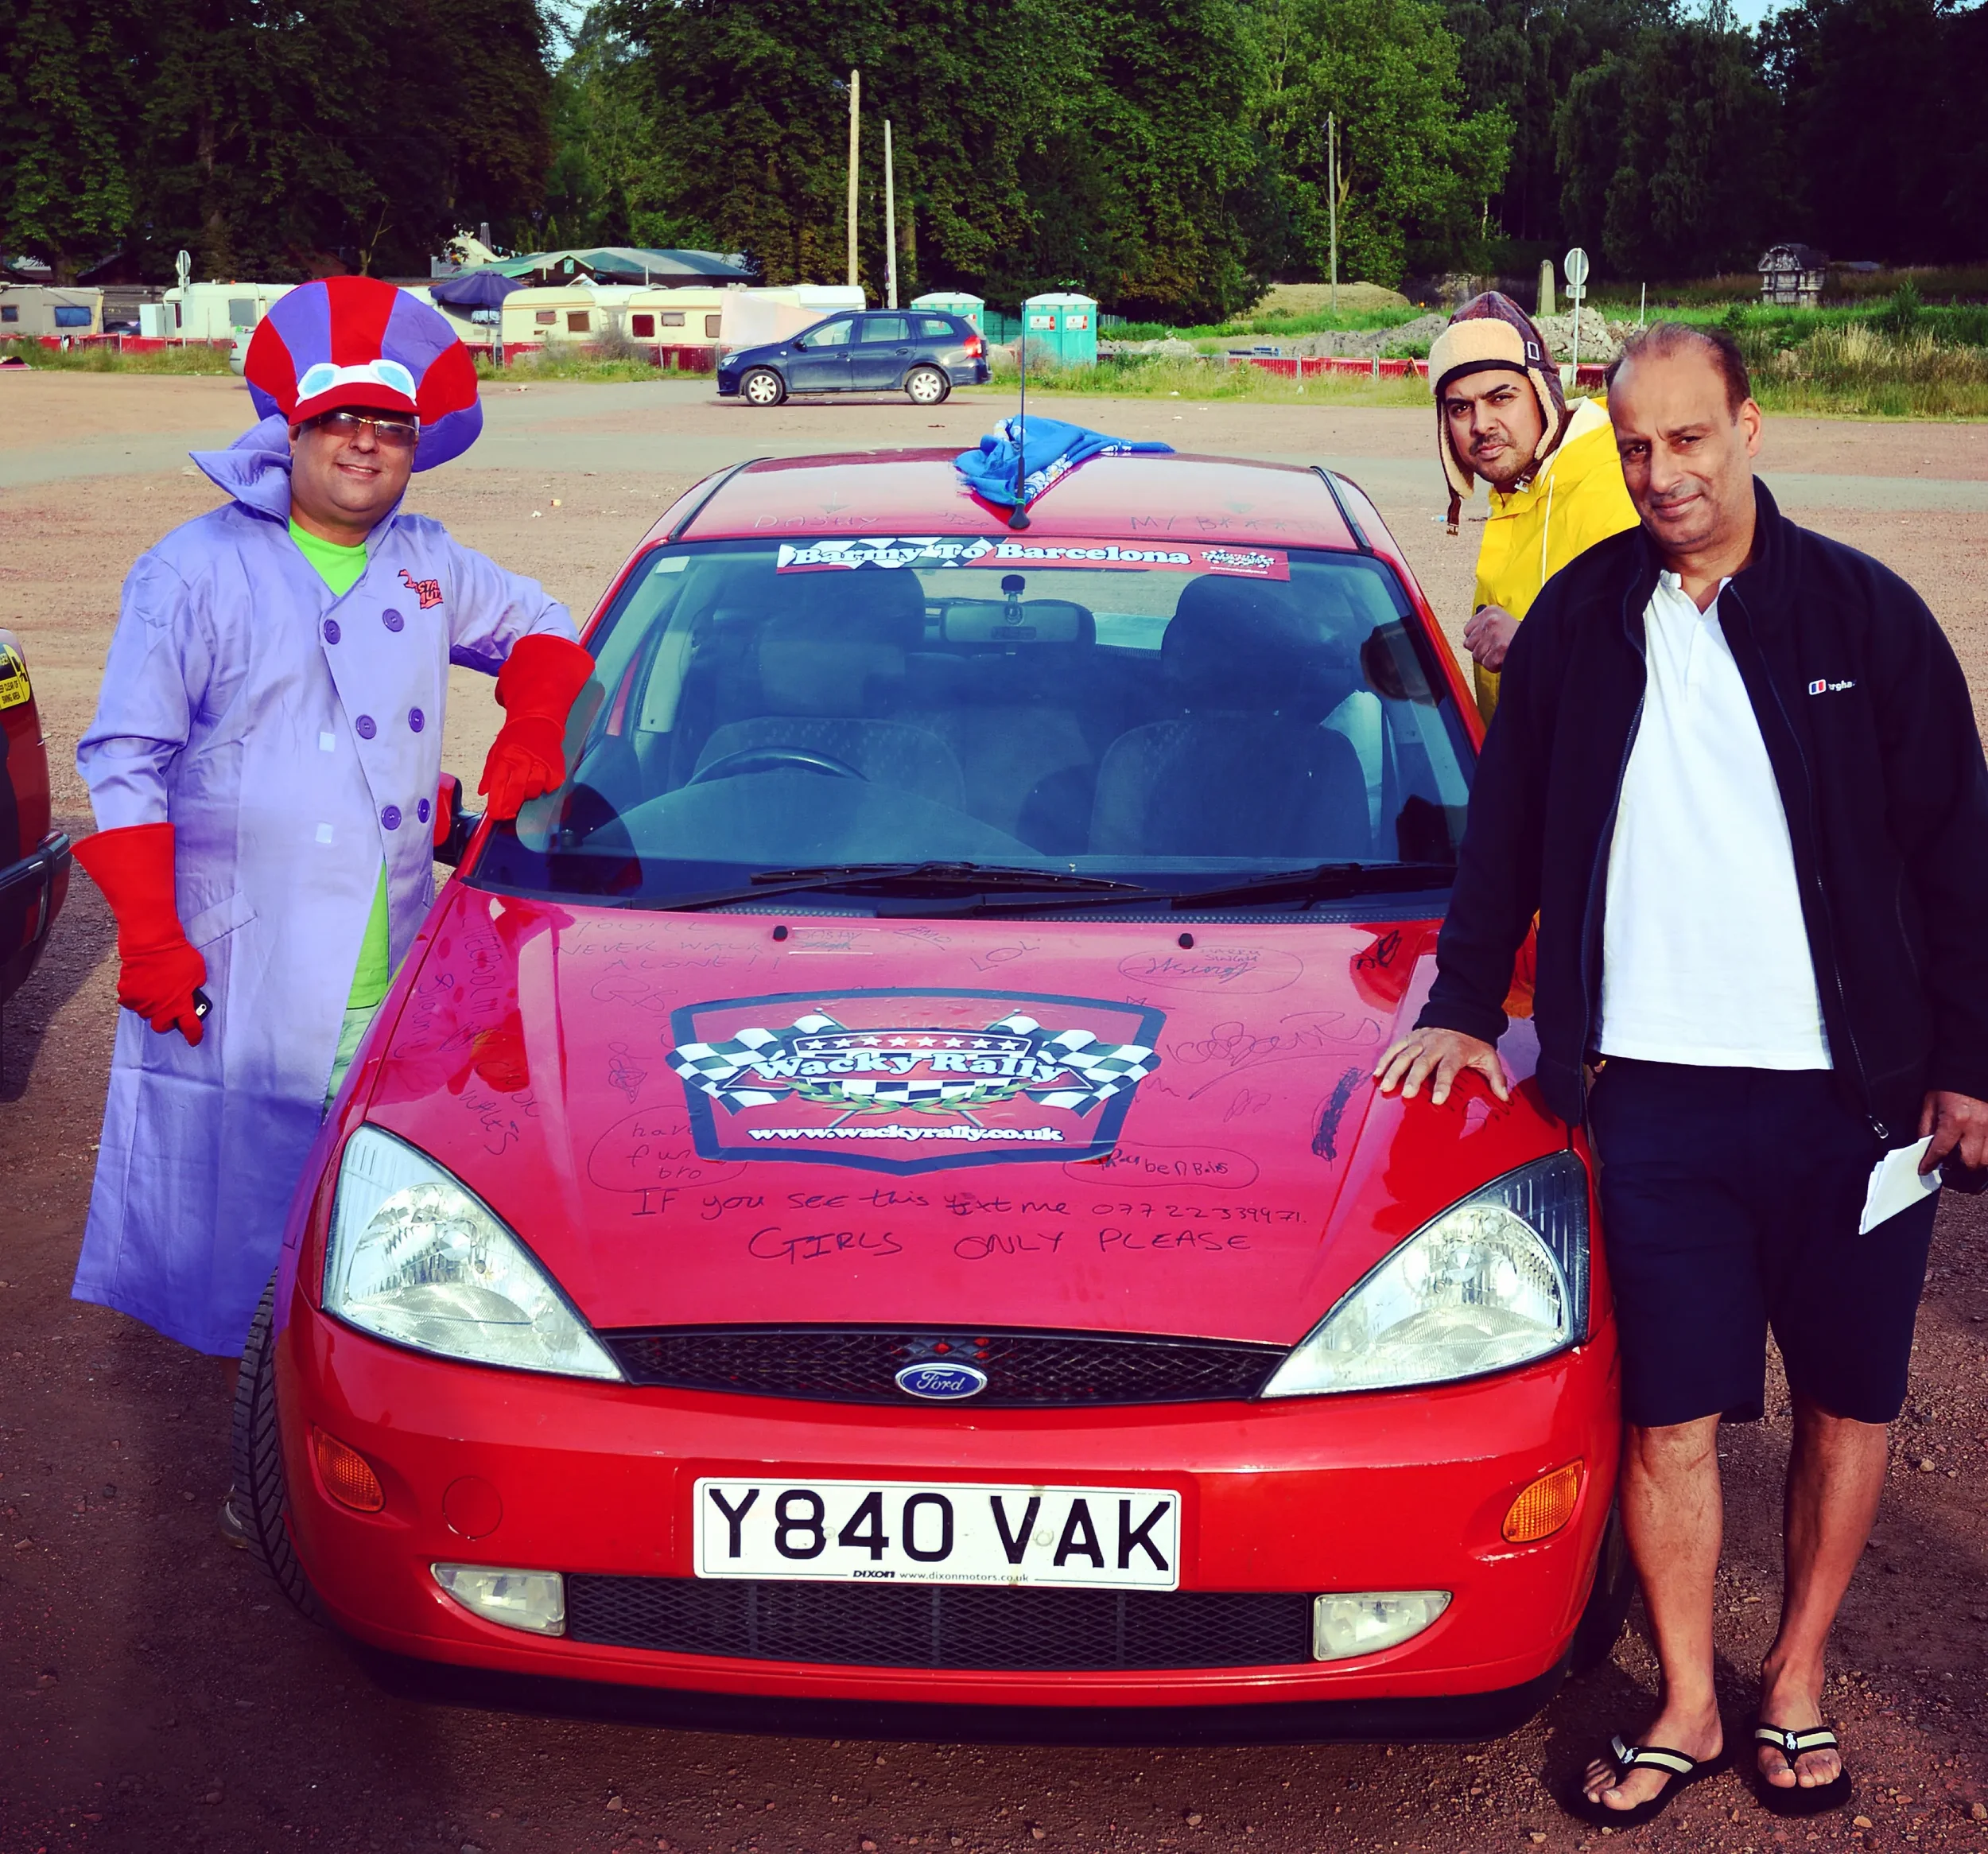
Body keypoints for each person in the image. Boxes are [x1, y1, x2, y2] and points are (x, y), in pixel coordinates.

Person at [1375, 324, 1988, 1825]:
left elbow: (1959, 853)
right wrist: (1463, 1001)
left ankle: (1797, 1676)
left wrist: (1971, 1065)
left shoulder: (1869, 614)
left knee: (1848, 1402)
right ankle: (1692, 1703)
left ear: (1750, 428)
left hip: (1855, 1101)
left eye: (1691, 439)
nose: (1663, 474)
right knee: (1671, 1416)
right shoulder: (1582, 621)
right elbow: (1507, 830)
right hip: (1649, 1093)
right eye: (1639, 446)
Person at [69, 277, 595, 1539]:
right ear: (293, 430)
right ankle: (264, 1478)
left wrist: (532, 716)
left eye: (392, 427)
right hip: (240, 969)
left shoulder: (428, 560)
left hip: (395, 971)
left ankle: (380, 1469)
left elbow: (544, 623)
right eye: (343, 421)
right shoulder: (192, 567)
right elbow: (125, 755)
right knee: (249, 1248)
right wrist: (149, 932)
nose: (367, 444)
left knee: (376, 1243)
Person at [1428, 292, 1639, 723]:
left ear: (1543, 394)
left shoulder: (1615, 490)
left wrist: (1533, 646)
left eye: (1501, 398)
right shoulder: (1519, 487)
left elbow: (1654, 667)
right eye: (1461, 408)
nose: (1481, 425)